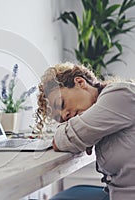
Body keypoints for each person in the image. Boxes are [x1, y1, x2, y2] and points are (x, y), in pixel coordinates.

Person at [35, 62, 135, 200]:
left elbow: (63, 140)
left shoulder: (119, 94)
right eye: (61, 119)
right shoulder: (104, 117)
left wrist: (78, 134)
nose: (64, 116)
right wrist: (83, 132)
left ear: (80, 82)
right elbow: (73, 135)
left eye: (61, 104)